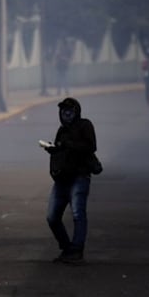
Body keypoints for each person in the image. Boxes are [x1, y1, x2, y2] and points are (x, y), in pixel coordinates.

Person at [43, 97, 97, 264]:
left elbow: (90, 147)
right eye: (63, 111)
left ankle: (76, 250)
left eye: (69, 111)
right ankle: (67, 248)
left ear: (76, 112)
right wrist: (53, 149)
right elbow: (62, 151)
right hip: (62, 179)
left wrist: (69, 144)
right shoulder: (62, 130)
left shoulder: (84, 125)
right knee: (52, 217)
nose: (66, 114)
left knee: (78, 214)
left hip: (79, 177)